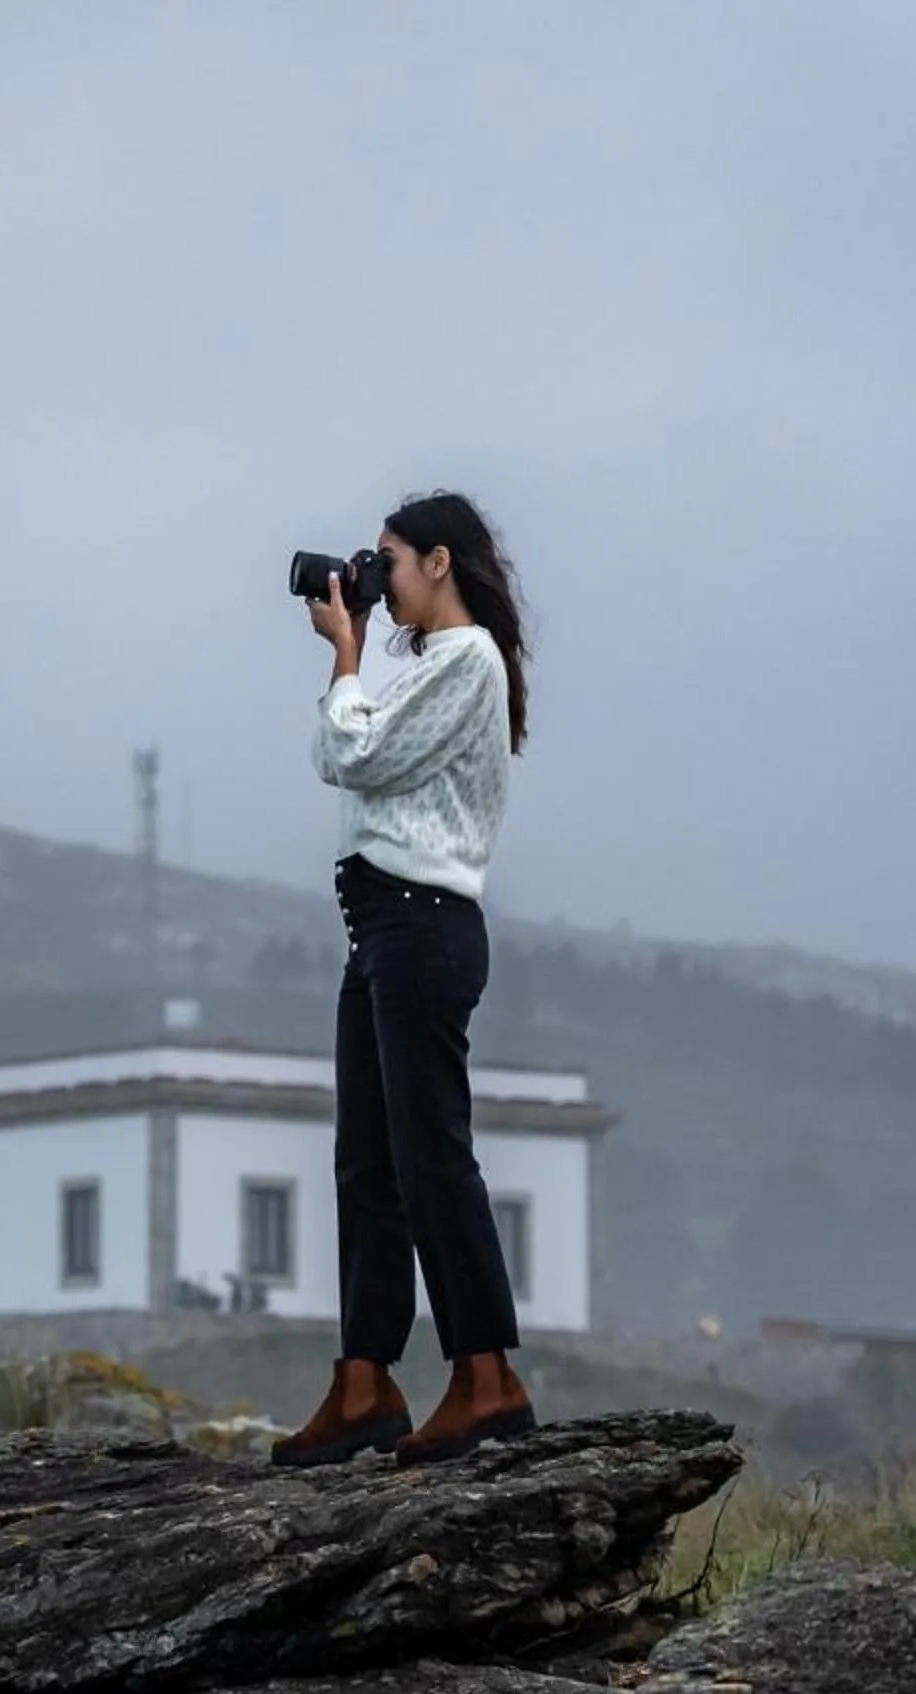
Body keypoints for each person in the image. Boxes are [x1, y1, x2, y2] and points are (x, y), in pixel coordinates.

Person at [273, 489, 537, 1467]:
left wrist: (345, 655)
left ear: (439, 561)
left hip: (421, 927)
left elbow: (353, 752)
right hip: (384, 928)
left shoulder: (467, 658)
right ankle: (363, 1382)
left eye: (388, 562)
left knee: (430, 1158)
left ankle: (487, 1380)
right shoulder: (435, 669)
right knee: (369, 1165)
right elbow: (353, 755)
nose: (376, 583)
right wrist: (356, 660)